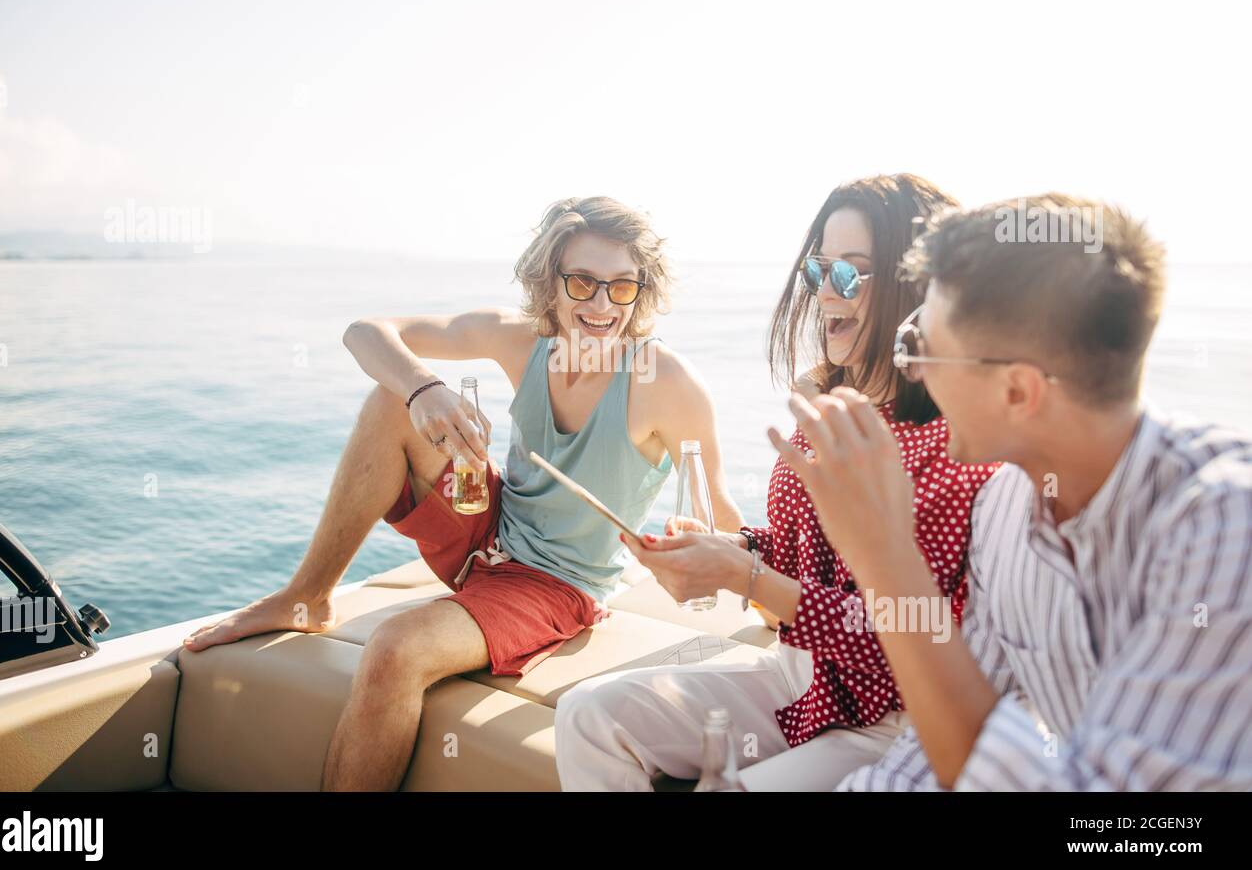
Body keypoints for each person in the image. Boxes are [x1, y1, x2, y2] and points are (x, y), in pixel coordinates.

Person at [181, 196, 744, 791]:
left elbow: (721, 513)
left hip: (555, 586)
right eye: (582, 282)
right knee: (392, 398)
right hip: (488, 527)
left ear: (641, 291)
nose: (602, 305)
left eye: (622, 286)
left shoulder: (667, 382)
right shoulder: (521, 340)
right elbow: (364, 332)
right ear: (549, 281)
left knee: (395, 648)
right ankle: (308, 595)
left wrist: (776, 598)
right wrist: (423, 389)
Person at [773, 195, 1252, 791]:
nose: (912, 371)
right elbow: (945, 740)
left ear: (1018, 392)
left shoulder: (1224, 527)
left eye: (923, 348)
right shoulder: (1002, 508)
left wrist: (884, 554)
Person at [554, 174, 997, 791]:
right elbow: (801, 552)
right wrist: (731, 550)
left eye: (851, 274)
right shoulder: (834, 408)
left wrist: (745, 577)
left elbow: (908, 639)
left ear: (917, 287)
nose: (825, 293)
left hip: (890, 718)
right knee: (586, 716)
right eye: (820, 271)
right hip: (801, 679)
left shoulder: (958, 450)